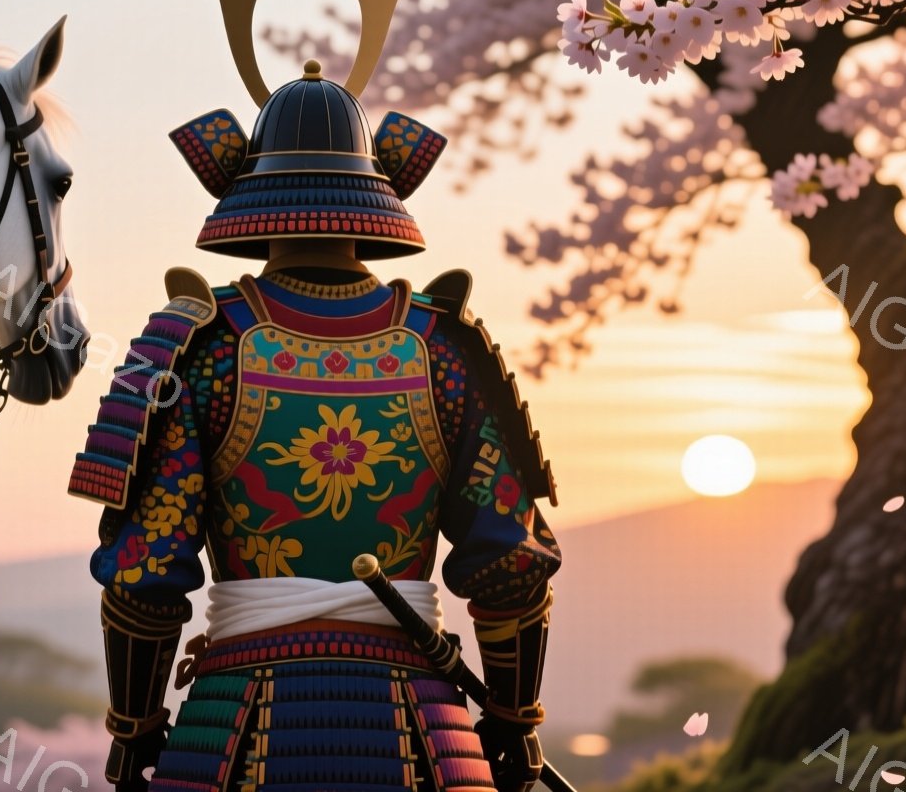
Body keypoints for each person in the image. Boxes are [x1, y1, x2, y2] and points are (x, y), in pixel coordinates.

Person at [67, 55, 562, 792]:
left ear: (249, 195)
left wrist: (135, 735)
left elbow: (144, 571)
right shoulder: (444, 348)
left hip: (231, 735)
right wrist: (514, 727)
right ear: (375, 198)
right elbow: (511, 564)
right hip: (425, 740)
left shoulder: (199, 346)